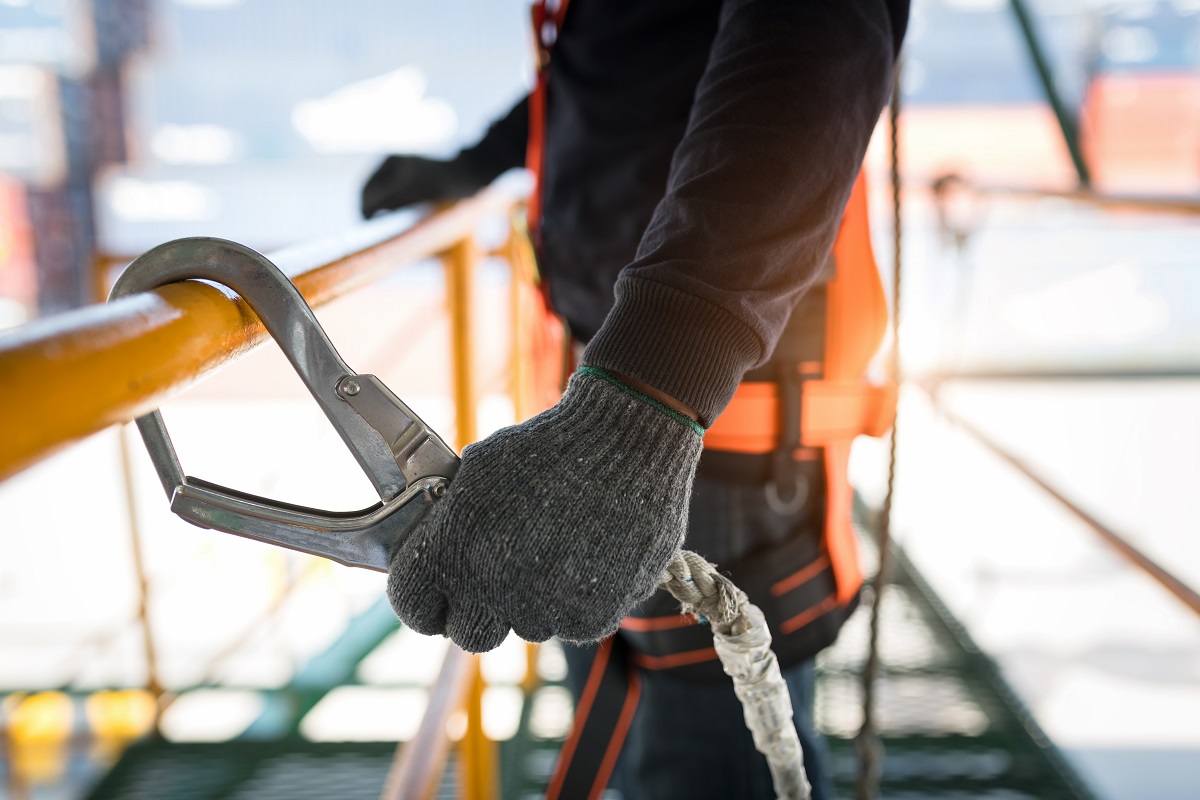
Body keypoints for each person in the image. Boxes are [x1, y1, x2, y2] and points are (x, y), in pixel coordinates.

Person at [365, 1, 909, 797]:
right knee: (625, 738)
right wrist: (482, 159)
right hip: (610, 406)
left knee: (702, 768)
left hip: (698, 426)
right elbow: (637, 60)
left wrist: (649, 397)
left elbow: (812, 37)